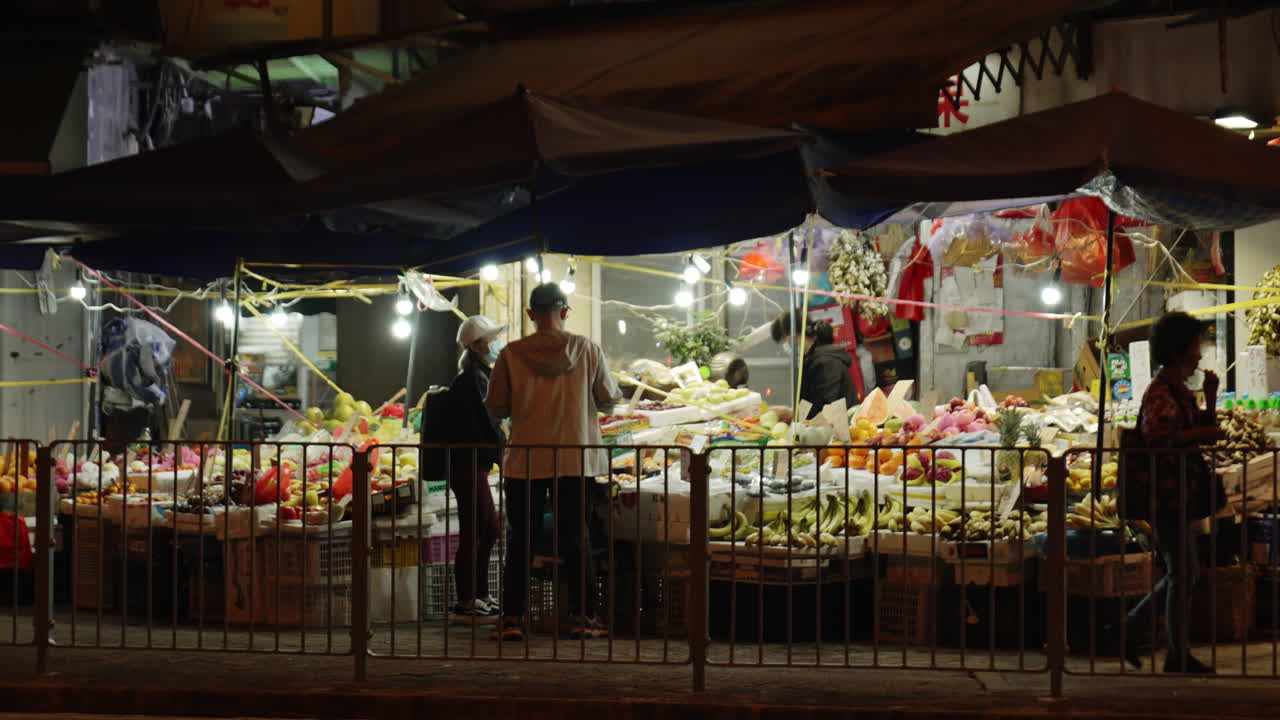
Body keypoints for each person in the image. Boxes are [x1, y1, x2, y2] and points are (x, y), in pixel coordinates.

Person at [485, 283, 622, 641]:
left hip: (525, 459)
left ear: (531, 314)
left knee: (521, 540)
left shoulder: (510, 354)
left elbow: (496, 406)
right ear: (564, 312)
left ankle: (512, 619)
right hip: (575, 458)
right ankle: (582, 618)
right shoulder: (587, 349)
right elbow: (609, 399)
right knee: (576, 536)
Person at [1120, 311, 1223, 674]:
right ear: (1179, 350)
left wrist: (1211, 398)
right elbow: (1158, 438)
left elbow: (1200, 431)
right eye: (1195, 346)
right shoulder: (1161, 392)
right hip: (1165, 494)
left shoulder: (1178, 389)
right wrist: (1202, 434)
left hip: (1180, 492)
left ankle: (1135, 630)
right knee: (1184, 572)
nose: (1199, 354)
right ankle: (1171, 652)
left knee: (1185, 571)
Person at [446, 316, 507, 624]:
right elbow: (487, 423)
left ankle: (479, 594)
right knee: (477, 530)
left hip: (475, 464)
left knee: (488, 529)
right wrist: (506, 450)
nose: (497, 344)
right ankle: (466, 600)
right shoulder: (472, 380)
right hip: (467, 464)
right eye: (492, 339)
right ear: (478, 346)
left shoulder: (479, 375)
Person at [770, 311, 857, 419]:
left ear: (793, 334)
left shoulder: (826, 361)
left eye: (784, 340)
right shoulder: (810, 360)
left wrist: (792, 414)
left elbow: (825, 406)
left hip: (840, 425)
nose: (785, 345)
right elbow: (810, 402)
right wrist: (794, 413)